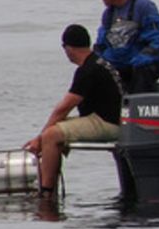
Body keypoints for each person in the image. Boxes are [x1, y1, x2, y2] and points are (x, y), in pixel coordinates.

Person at [24, 24, 124, 199]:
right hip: (114, 119)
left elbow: (63, 108)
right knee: (54, 133)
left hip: (107, 123)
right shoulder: (100, 62)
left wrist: (40, 138)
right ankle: (48, 183)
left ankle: (46, 193)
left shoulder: (87, 70)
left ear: (68, 48)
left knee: (51, 135)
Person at [90, 0, 159, 94]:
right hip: (119, 63)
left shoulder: (143, 6)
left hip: (142, 63)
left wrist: (143, 57)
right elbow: (102, 43)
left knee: (142, 70)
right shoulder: (109, 14)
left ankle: (140, 104)